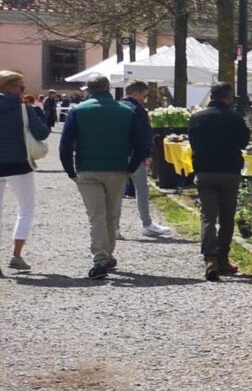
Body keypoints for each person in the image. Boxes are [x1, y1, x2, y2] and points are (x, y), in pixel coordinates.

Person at [59, 75, 147, 279]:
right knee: (111, 213)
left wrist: (70, 170)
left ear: (88, 89)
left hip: (87, 168)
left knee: (96, 215)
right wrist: (130, 168)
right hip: (117, 168)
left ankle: (100, 259)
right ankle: (107, 255)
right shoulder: (127, 111)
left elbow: (65, 145)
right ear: (108, 88)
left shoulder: (78, 111)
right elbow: (141, 144)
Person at [189, 84, 251, 280]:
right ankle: (223, 258)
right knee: (226, 218)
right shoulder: (235, 118)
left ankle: (210, 258)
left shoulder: (197, 117)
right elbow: (243, 142)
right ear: (228, 97)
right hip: (229, 171)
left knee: (208, 217)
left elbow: (192, 142)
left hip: (205, 171)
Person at [0, 70, 51, 275]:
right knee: (26, 209)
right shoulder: (23, 108)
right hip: (19, 163)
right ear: (10, 88)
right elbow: (42, 132)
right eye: (21, 88)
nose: (24, 91)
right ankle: (17, 255)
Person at [120, 81, 171, 238]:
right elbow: (145, 134)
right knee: (141, 189)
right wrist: (147, 154)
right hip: (136, 155)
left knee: (116, 193)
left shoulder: (117, 107)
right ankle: (146, 224)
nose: (145, 98)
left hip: (118, 155)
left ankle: (114, 227)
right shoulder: (138, 110)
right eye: (144, 95)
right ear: (135, 94)